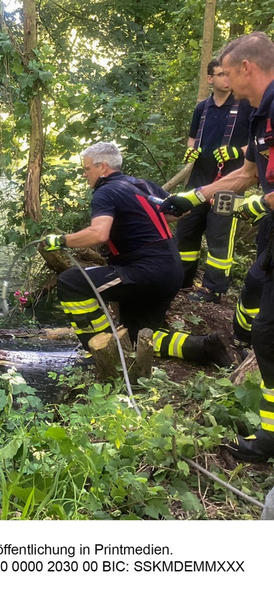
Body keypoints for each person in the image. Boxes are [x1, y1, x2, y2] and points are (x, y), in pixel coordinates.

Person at [160, 32, 274, 463]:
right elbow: (246, 172)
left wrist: (257, 205)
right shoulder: (260, 112)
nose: (221, 80)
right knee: (260, 315)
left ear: (246, 68)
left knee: (269, 332)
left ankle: (268, 440)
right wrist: (196, 195)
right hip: (269, 231)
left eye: (225, 72)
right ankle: (268, 435)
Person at [40, 142, 233, 369]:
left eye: (87, 169)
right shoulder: (143, 184)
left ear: (102, 167)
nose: (84, 175)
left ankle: (101, 348)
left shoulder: (105, 192)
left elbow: (99, 234)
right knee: (136, 336)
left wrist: (61, 240)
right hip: (170, 270)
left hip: (144, 270)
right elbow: (182, 211)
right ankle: (203, 347)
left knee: (71, 282)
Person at [177, 60, 251, 303]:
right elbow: (191, 138)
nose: (226, 80)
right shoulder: (203, 108)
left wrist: (237, 152)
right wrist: (191, 151)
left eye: (228, 74)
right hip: (199, 179)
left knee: (220, 235)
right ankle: (182, 280)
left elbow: (259, 143)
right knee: (187, 229)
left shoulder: (246, 106)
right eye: (220, 75)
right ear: (210, 79)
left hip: (231, 181)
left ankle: (213, 289)